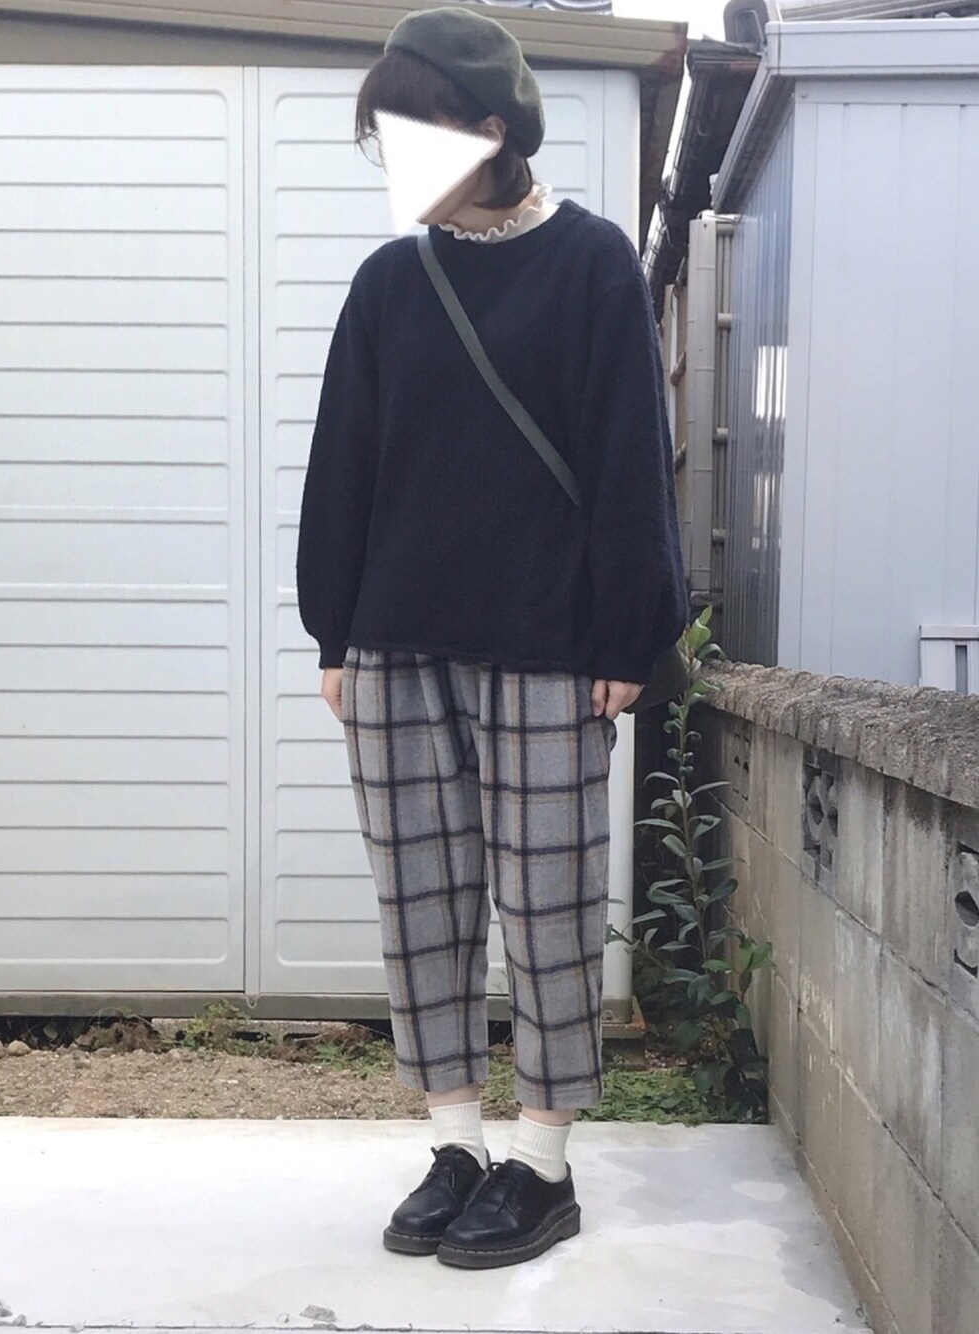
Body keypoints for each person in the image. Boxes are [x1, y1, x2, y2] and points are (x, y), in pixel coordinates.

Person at [296, 4, 689, 1270]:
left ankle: (542, 1162)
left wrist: (631, 631)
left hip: (549, 642)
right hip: (395, 641)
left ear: (489, 129)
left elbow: (630, 459)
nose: (393, 162)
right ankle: (455, 1142)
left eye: (409, 134)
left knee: (549, 900)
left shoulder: (590, 263)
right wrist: (333, 631)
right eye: (380, 140)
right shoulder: (387, 284)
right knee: (421, 898)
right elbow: (343, 467)